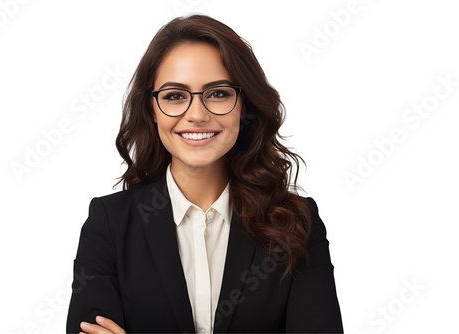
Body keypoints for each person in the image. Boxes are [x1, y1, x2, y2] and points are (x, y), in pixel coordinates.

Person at [66, 14, 343, 334]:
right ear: (152, 110)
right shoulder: (110, 223)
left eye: (218, 93)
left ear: (245, 104)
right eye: (174, 96)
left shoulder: (297, 222)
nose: (197, 115)